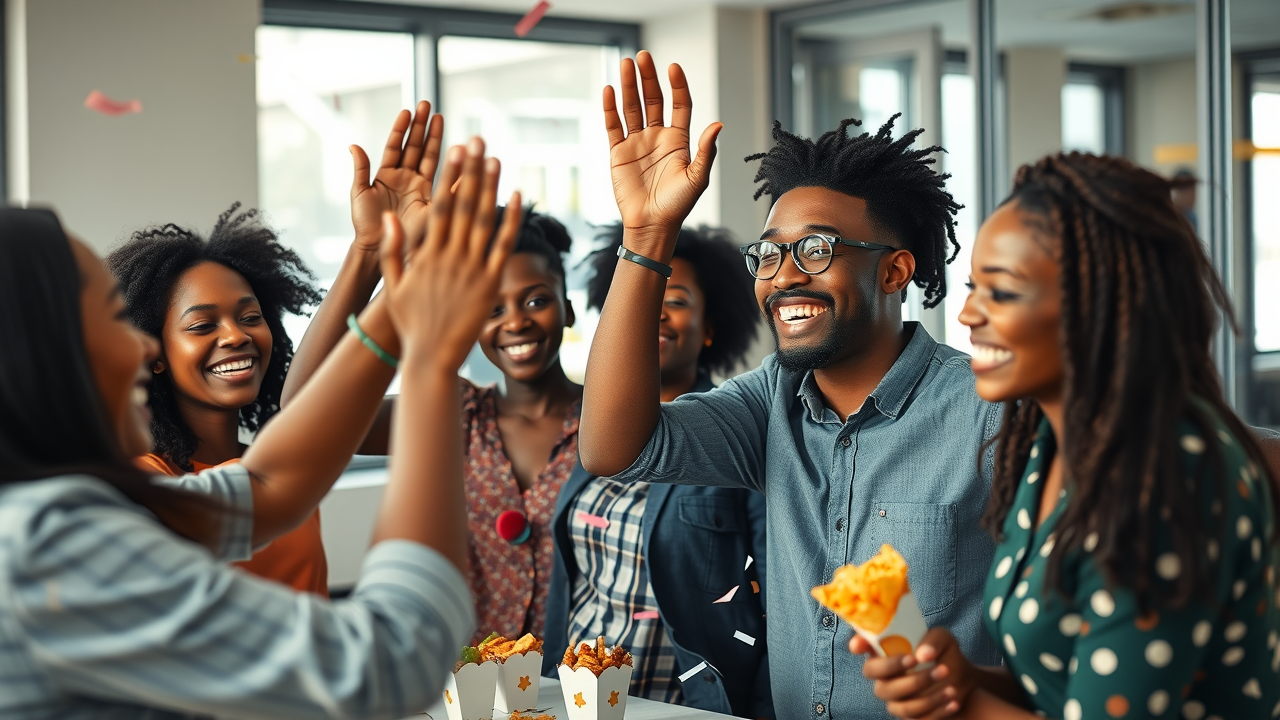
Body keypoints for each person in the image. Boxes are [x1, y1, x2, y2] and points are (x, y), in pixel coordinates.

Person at [0, 138, 524, 717]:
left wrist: (397, 278)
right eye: (111, 317)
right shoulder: (46, 548)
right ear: (37, 355)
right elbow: (395, 661)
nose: (140, 346)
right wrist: (427, 357)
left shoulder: (51, 517)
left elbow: (275, 482)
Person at [577, 51, 1002, 720]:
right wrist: (649, 234)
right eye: (770, 253)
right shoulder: (767, 401)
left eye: (817, 249)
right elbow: (612, 449)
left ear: (894, 273)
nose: (784, 276)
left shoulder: (990, 413)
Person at [857, 153, 1280, 720]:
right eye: (973, 288)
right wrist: (959, 681)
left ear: (1099, 305)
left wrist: (960, 710)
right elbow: (1066, 684)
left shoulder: (1164, 475)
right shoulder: (1049, 449)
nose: (966, 316)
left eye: (1001, 293)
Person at [282, 102, 582, 643]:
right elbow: (304, 410)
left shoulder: (614, 426)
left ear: (569, 307)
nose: (516, 321)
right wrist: (368, 253)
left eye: (536, 300)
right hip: (460, 689)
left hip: (589, 689)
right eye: (491, 308)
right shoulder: (454, 415)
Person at [541, 223, 771, 716]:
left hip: (680, 705)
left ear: (711, 327)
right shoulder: (592, 428)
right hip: (577, 697)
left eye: (680, 299)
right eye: (648, 299)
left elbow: (777, 604)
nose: (657, 312)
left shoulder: (741, 435)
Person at [105, 204, 329, 595]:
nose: (235, 336)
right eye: (203, 325)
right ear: (152, 352)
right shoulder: (142, 482)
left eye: (250, 317)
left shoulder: (282, 468)